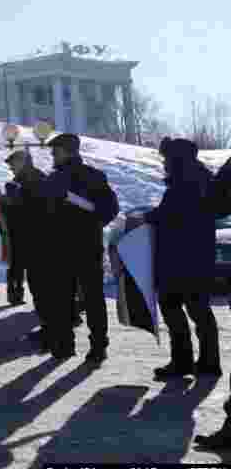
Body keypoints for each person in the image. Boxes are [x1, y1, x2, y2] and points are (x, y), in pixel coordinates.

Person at [126, 138, 221, 380]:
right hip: (197, 258)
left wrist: (145, 218)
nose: (164, 163)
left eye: (166, 159)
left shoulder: (185, 183)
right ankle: (208, 362)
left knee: (173, 307)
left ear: (176, 159)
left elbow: (170, 214)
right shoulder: (202, 180)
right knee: (199, 310)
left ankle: (183, 362)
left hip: (180, 260)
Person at [40, 133, 119, 364]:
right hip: (70, 247)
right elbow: (44, 213)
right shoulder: (55, 178)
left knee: (84, 298)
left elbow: (110, 209)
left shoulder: (89, 177)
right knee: (70, 298)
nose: (52, 155)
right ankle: (75, 346)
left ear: (68, 151)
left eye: (55, 151)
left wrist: (86, 210)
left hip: (78, 247)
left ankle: (88, 346)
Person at [0, 149, 50, 349]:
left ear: (22, 162)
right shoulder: (23, 180)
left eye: (12, 164)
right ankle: (50, 325)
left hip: (36, 240)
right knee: (38, 284)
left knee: (42, 285)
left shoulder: (34, 179)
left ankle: (51, 330)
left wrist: (9, 202)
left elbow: (33, 209)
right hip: (25, 238)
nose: (10, 168)